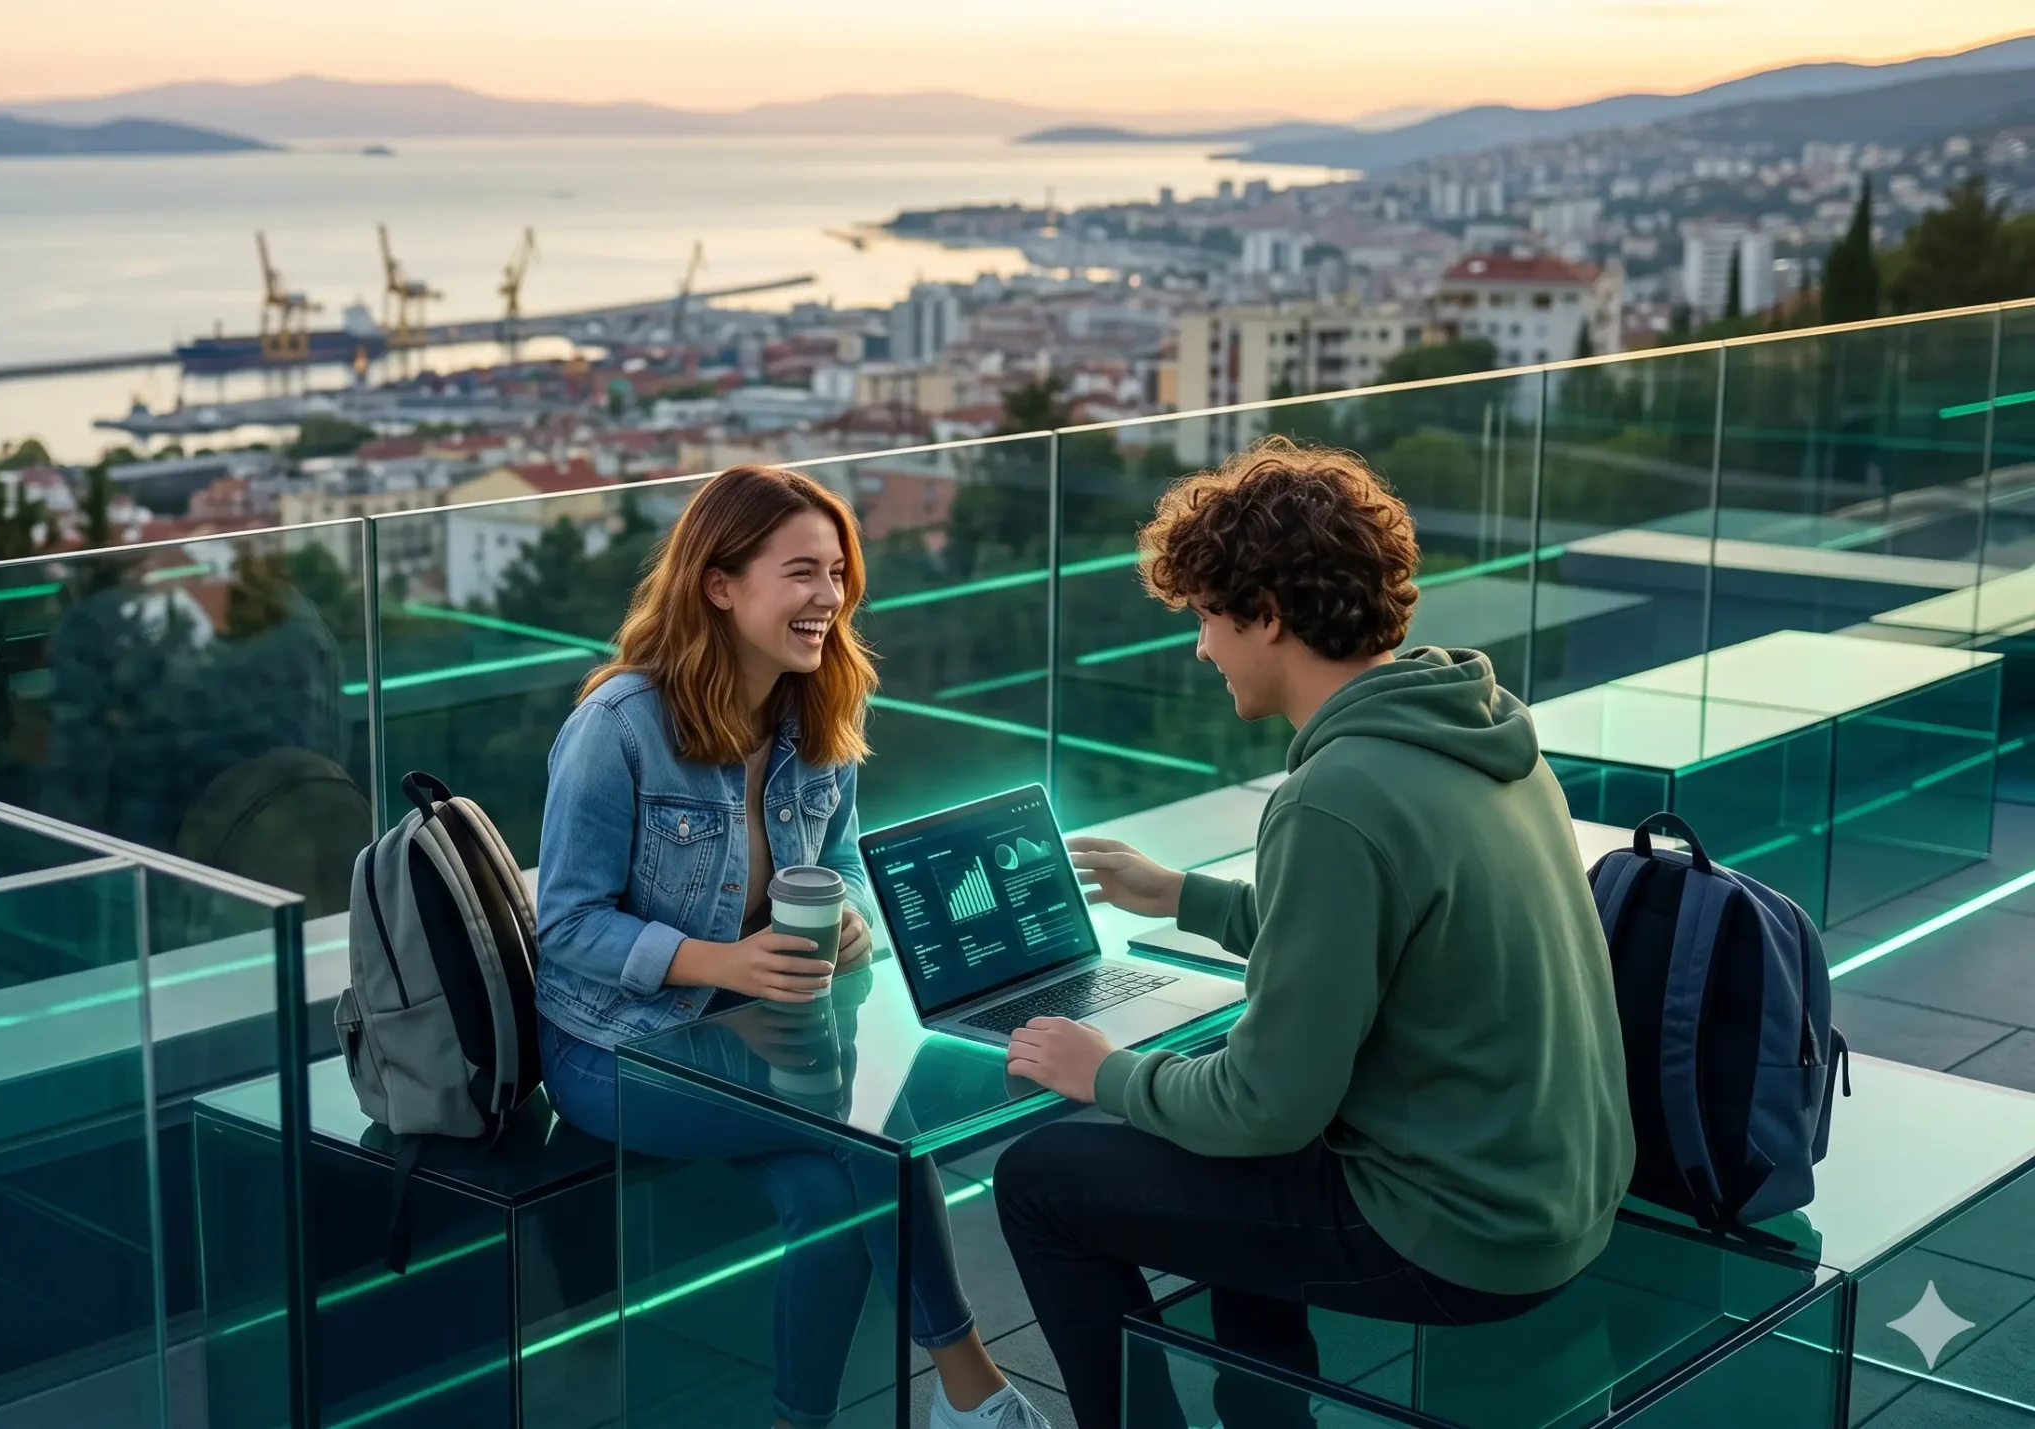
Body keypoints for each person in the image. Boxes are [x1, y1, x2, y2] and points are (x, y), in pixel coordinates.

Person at [993, 437, 1634, 1429]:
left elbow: (1266, 1107)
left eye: (1208, 616)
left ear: (1269, 615)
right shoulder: (1479, 729)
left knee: (1039, 1180)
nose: (1202, 647)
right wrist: (1182, 896)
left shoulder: (1334, 797)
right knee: (1223, 1160)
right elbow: (1389, 933)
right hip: (1558, 1195)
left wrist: (1102, 1071)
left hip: (1458, 1238)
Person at [536, 464, 1051, 1429]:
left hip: (757, 1036)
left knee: (828, 1192)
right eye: (802, 572)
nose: (831, 597)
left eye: (838, 573)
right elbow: (562, 925)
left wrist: (852, 911)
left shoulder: (813, 712)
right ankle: (973, 1387)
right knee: (873, 1135)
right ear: (720, 585)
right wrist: (718, 963)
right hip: (614, 1046)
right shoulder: (616, 729)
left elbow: (845, 861)